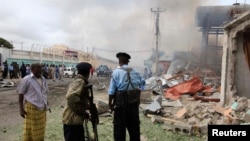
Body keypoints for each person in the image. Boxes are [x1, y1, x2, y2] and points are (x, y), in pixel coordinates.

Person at [108, 52, 144, 141]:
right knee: (134, 129)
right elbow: (142, 84)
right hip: (133, 103)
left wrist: (110, 104)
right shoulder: (135, 71)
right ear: (128, 61)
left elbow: (112, 91)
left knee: (119, 129)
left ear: (119, 61)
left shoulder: (116, 72)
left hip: (121, 104)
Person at [16, 63, 49, 141]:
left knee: (41, 129)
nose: (40, 70)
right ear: (32, 69)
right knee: (31, 129)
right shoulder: (26, 79)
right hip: (32, 108)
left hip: (42, 108)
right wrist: (21, 109)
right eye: (38, 68)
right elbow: (21, 95)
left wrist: (47, 103)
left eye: (41, 68)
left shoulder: (43, 79)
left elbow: (44, 93)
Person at [62, 62, 92, 141]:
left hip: (74, 120)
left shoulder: (77, 80)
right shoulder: (80, 81)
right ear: (88, 73)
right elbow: (71, 96)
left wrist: (83, 112)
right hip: (72, 120)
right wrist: (85, 105)